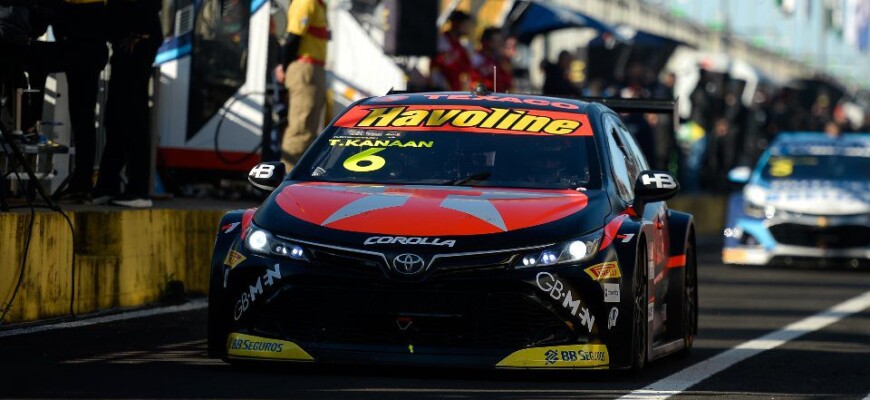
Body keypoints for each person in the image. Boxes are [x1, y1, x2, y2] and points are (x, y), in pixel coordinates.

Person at [90, 0, 162, 207]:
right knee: (115, 118)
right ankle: (107, 184)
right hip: (127, 43)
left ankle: (138, 189)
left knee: (133, 117)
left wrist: (140, 33)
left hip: (136, 44)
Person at [51, 0, 109, 201]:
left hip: (78, 48)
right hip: (91, 49)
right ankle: (82, 180)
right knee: (84, 118)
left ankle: (82, 181)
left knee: (81, 117)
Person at [274, 0, 329, 172]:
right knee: (301, 130)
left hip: (313, 69)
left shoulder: (316, 4)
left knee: (308, 131)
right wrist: (283, 66)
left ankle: (297, 178)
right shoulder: (306, 2)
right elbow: (293, 38)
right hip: (305, 69)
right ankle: (287, 180)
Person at [430, 10, 473, 91]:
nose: (468, 28)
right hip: (440, 93)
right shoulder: (441, 41)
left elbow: (467, 71)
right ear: (456, 23)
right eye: (466, 25)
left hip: (455, 93)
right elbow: (435, 69)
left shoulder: (460, 46)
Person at [470, 27, 512, 92]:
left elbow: (507, 82)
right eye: (498, 41)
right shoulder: (477, 59)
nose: (501, 44)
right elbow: (474, 84)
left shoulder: (499, 60)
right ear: (488, 42)